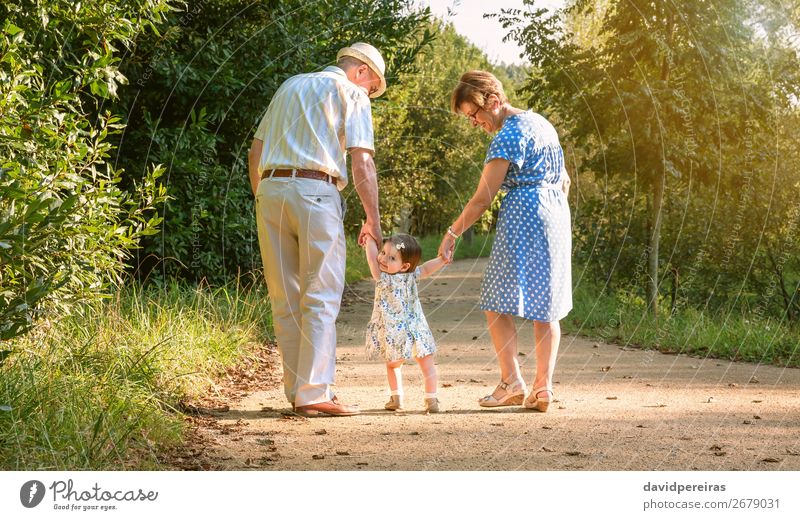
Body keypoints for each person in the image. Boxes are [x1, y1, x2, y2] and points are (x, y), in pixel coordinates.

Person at [247, 43, 387, 417]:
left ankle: (297, 390)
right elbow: (362, 161)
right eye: (373, 86)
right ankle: (314, 392)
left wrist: (262, 197)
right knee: (321, 295)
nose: (370, 92)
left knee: (285, 297)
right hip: (316, 190)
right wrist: (373, 220)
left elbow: (255, 150)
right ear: (361, 72)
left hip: (271, 190)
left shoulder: (289, 85)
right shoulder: (351, 92)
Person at [439, 70, 572, 413]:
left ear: (494, 102)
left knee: (496, 300)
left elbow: (483, 198)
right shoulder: (541, 123)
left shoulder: (506, 136)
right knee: (547, 304)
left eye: (474, 115)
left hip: (524, 214)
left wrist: (452, 233)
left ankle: (511, 382)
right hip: (556, 214)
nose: (473, 123)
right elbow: (566, 180)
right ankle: (543, 388)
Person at [363, 234, 447, 413]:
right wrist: (442, 259)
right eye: (383, 252)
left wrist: (369, 241)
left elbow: (371, 259)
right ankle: (431, 398)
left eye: (391, 257)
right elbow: (426, 269)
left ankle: (396, 398)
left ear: (405, 266)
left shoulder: (382, 277)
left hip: (394, 331)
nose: (383, 259)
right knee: (427, 362)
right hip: (416, 327)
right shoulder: (411, 275)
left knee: (393, 364)